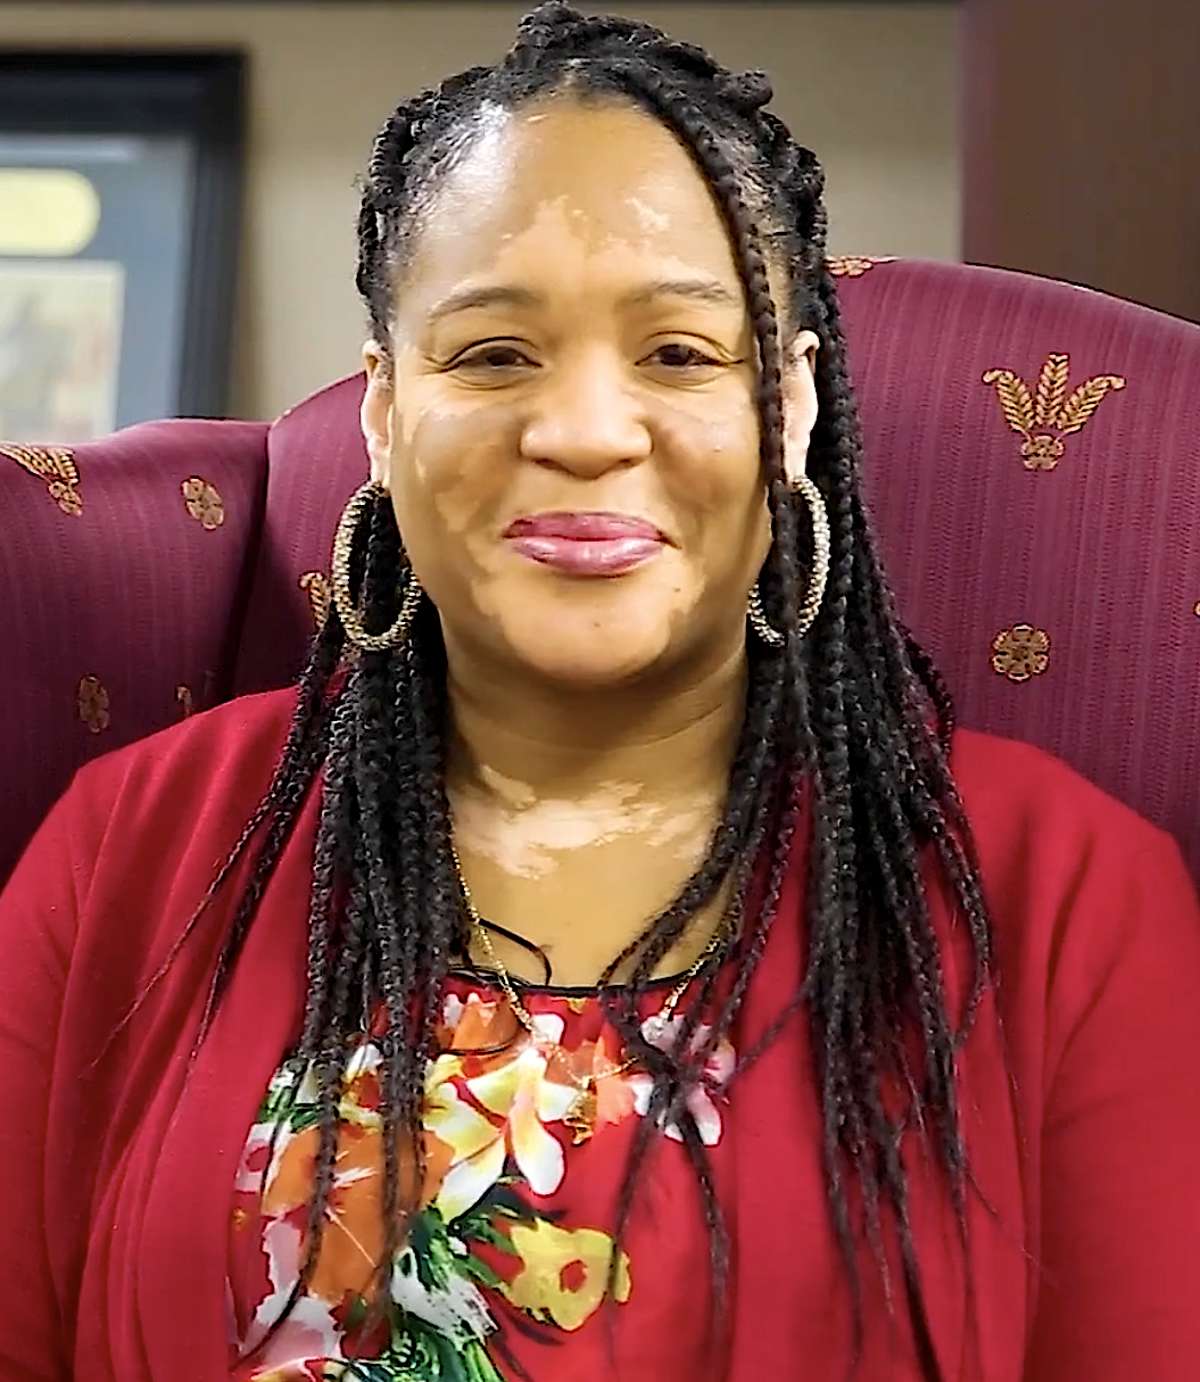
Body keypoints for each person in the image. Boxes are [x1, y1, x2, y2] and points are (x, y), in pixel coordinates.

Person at [1, 5, 1198, 1380]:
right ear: (385, 414)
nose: (580, 432)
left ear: (793, 409)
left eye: (681, 353)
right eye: (494, 353)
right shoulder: (134, 844)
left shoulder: (1066, 895)